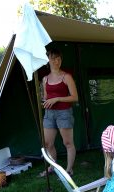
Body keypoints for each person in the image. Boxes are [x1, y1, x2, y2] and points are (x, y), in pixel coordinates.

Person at [40, 48, 78, 177]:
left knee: (68, 143)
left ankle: (69, 169)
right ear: (48, 60)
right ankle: (52, 166)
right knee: (48, 143)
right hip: (49, 114)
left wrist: (57, 99)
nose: (56, 61)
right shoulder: (45, 79)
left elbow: (74, 97)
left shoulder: (66, 76)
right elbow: (45, 96)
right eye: (53, 58)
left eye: (58, 58)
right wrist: (44, 101)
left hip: (64, 113)